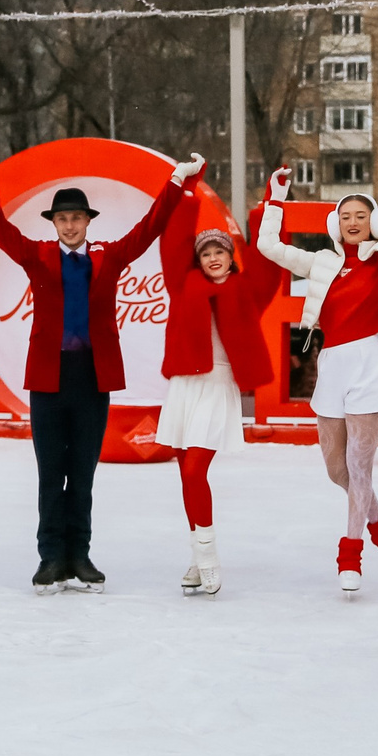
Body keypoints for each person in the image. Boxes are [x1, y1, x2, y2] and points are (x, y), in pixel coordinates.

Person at [0, 132, 192, 593]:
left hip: (92, 378)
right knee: (51, 473)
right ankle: (51, 557)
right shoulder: (37, 255)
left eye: (76, 218)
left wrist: (175, 181)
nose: (69, 225)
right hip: (48, 379)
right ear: (53, 223)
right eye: (62, 218)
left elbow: (150, 227)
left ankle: (81, 556)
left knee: (84, 475)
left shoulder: (109, 255)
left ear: (88, 221)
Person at [255, 153, 378, 596]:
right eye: (346, 215)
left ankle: (351, 555)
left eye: (361, 215)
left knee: (358, 465)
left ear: (374, 222)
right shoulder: (321, 263)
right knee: (337, 470)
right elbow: (268, 247)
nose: (353, 222)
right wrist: (276, 198)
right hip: (331, 365)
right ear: (335, 223)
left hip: (368, 363)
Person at [155, 168, 283, 596]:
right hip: (184, 387)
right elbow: (173, 241)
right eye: (206, 252)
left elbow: (267, 261)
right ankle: (197, 555)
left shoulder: (247, 289)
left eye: (220, 251)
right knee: (185, 474)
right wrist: (187, 188)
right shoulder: (182, 284)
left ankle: (208, 557)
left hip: (217, 385)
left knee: (196, 469)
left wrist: (271, 202)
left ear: (231, 257)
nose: (213, 257)